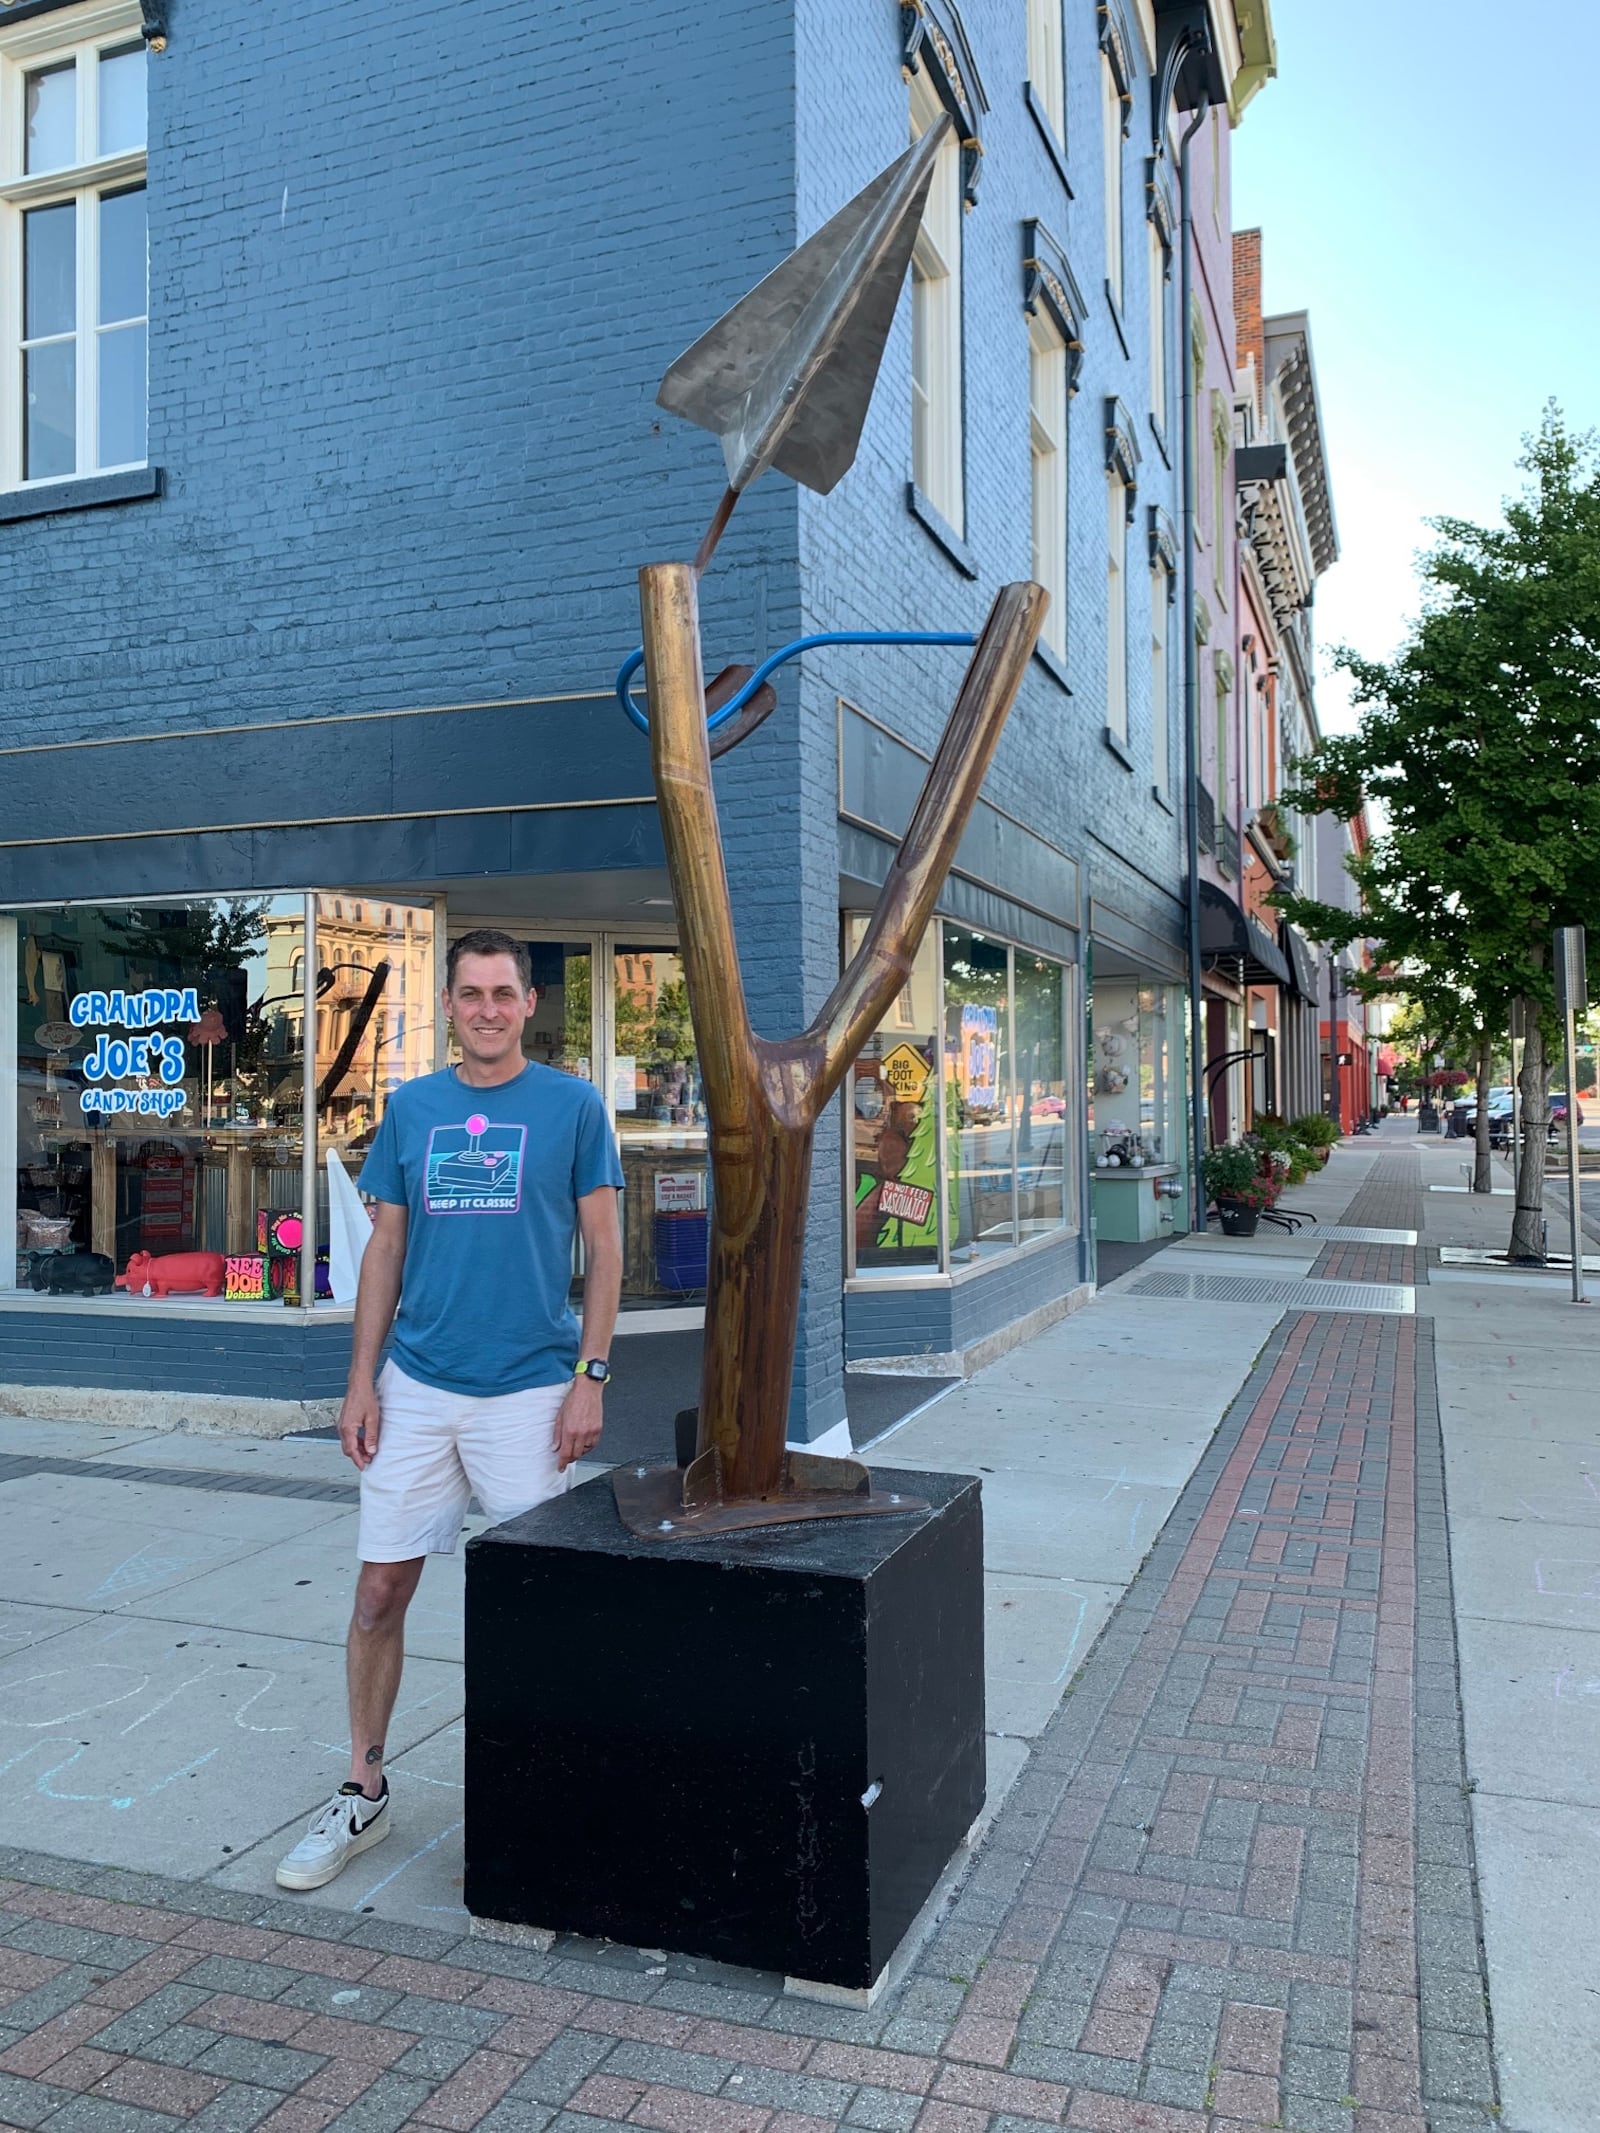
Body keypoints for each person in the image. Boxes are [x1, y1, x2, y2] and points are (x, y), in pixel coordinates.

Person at [276, 929, 624, 1891]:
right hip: (418, 1387)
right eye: (470, 992)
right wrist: (360, 1379)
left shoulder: (573, 1105)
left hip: (529, 1393)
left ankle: (542, 1789)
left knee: (537, 1601)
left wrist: (591, 1374)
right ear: (450, 1003)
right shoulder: (413, 1108)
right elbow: (382, 1250)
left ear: (527, 1003)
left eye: (503, 992)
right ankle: (363, 1785)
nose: (486, 1008)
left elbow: (605, 1247)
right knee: (379, 1592)